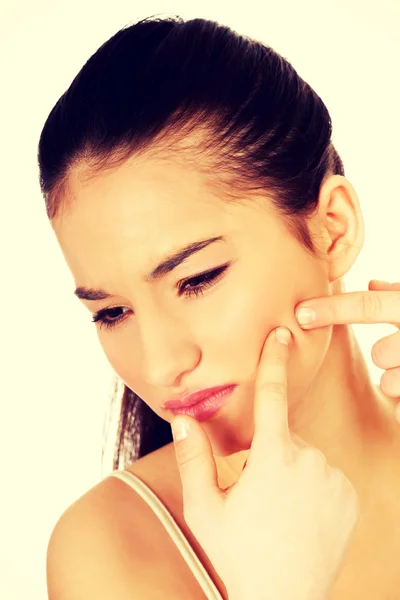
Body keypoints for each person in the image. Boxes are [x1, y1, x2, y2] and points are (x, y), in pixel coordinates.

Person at [39, 15, 400, 600]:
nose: (159, 367)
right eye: (111, 313)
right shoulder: (111, 549)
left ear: (332, 229)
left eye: (197, 279)